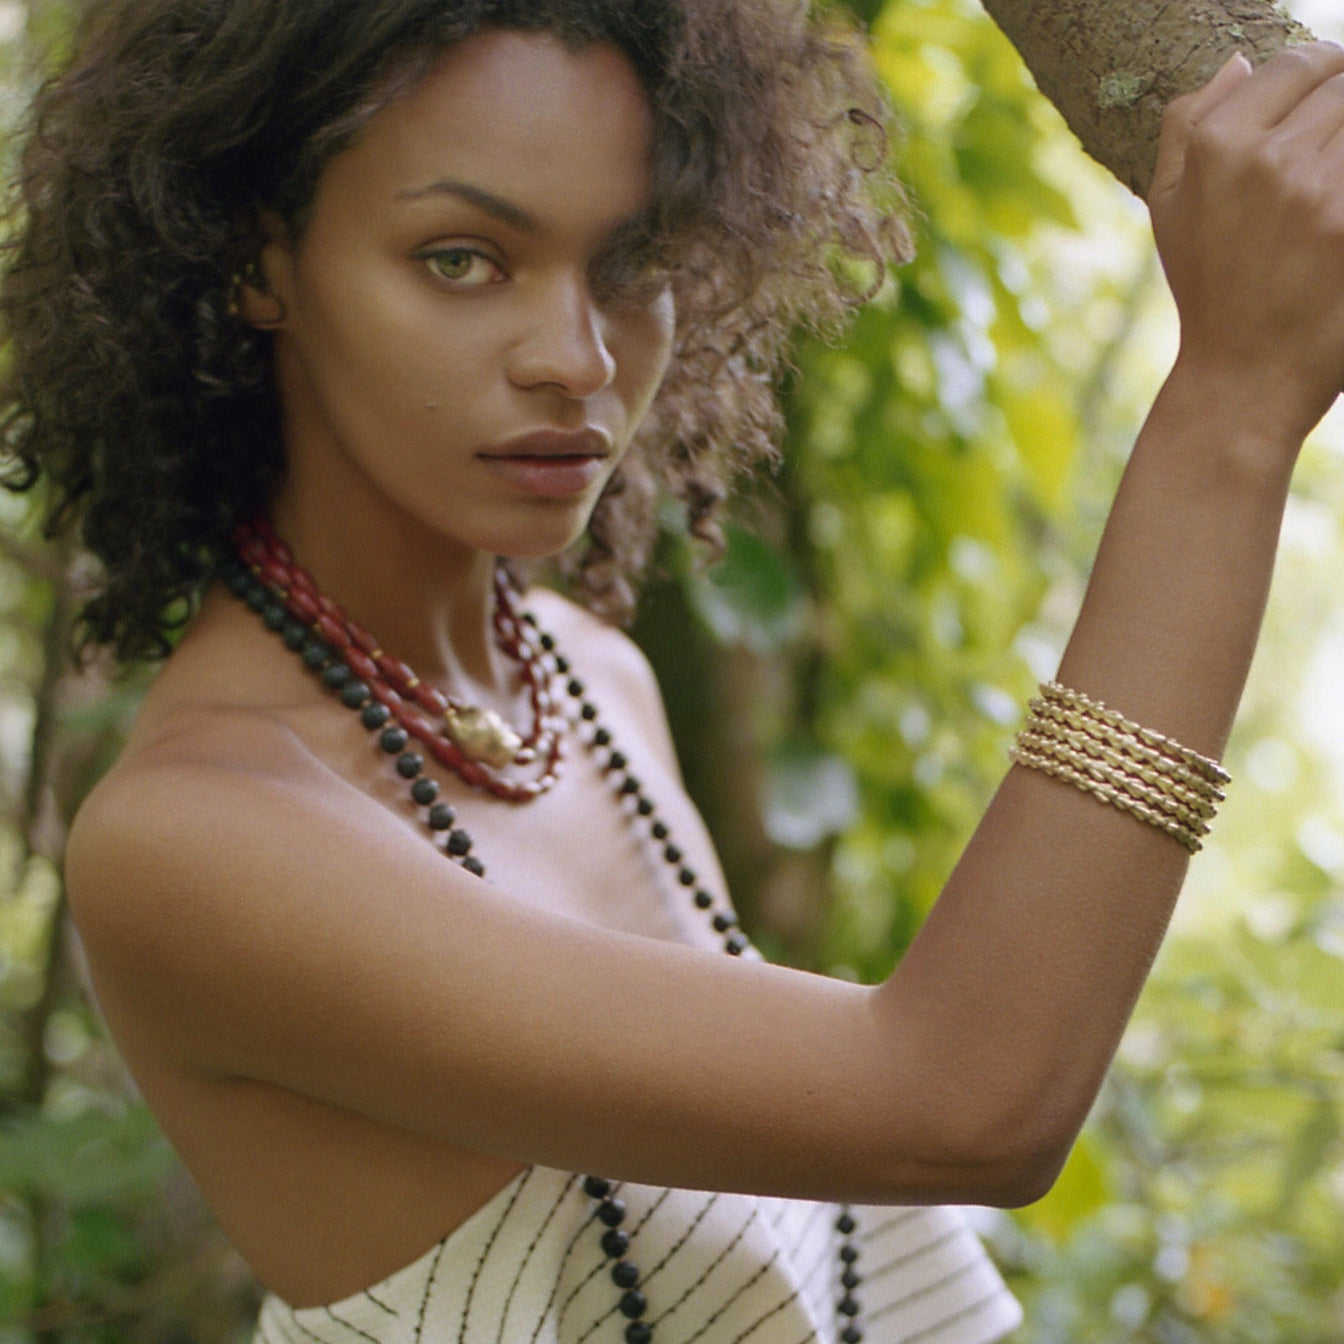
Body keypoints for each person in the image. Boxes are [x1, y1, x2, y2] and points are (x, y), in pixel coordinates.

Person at [3, 0, 1343, 1337]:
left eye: (631, 261)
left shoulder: (590, 681)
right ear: (260, 258)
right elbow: (956, 1106)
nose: (575, 358)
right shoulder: (199, 838)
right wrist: (1230, 404)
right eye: (462, 259)